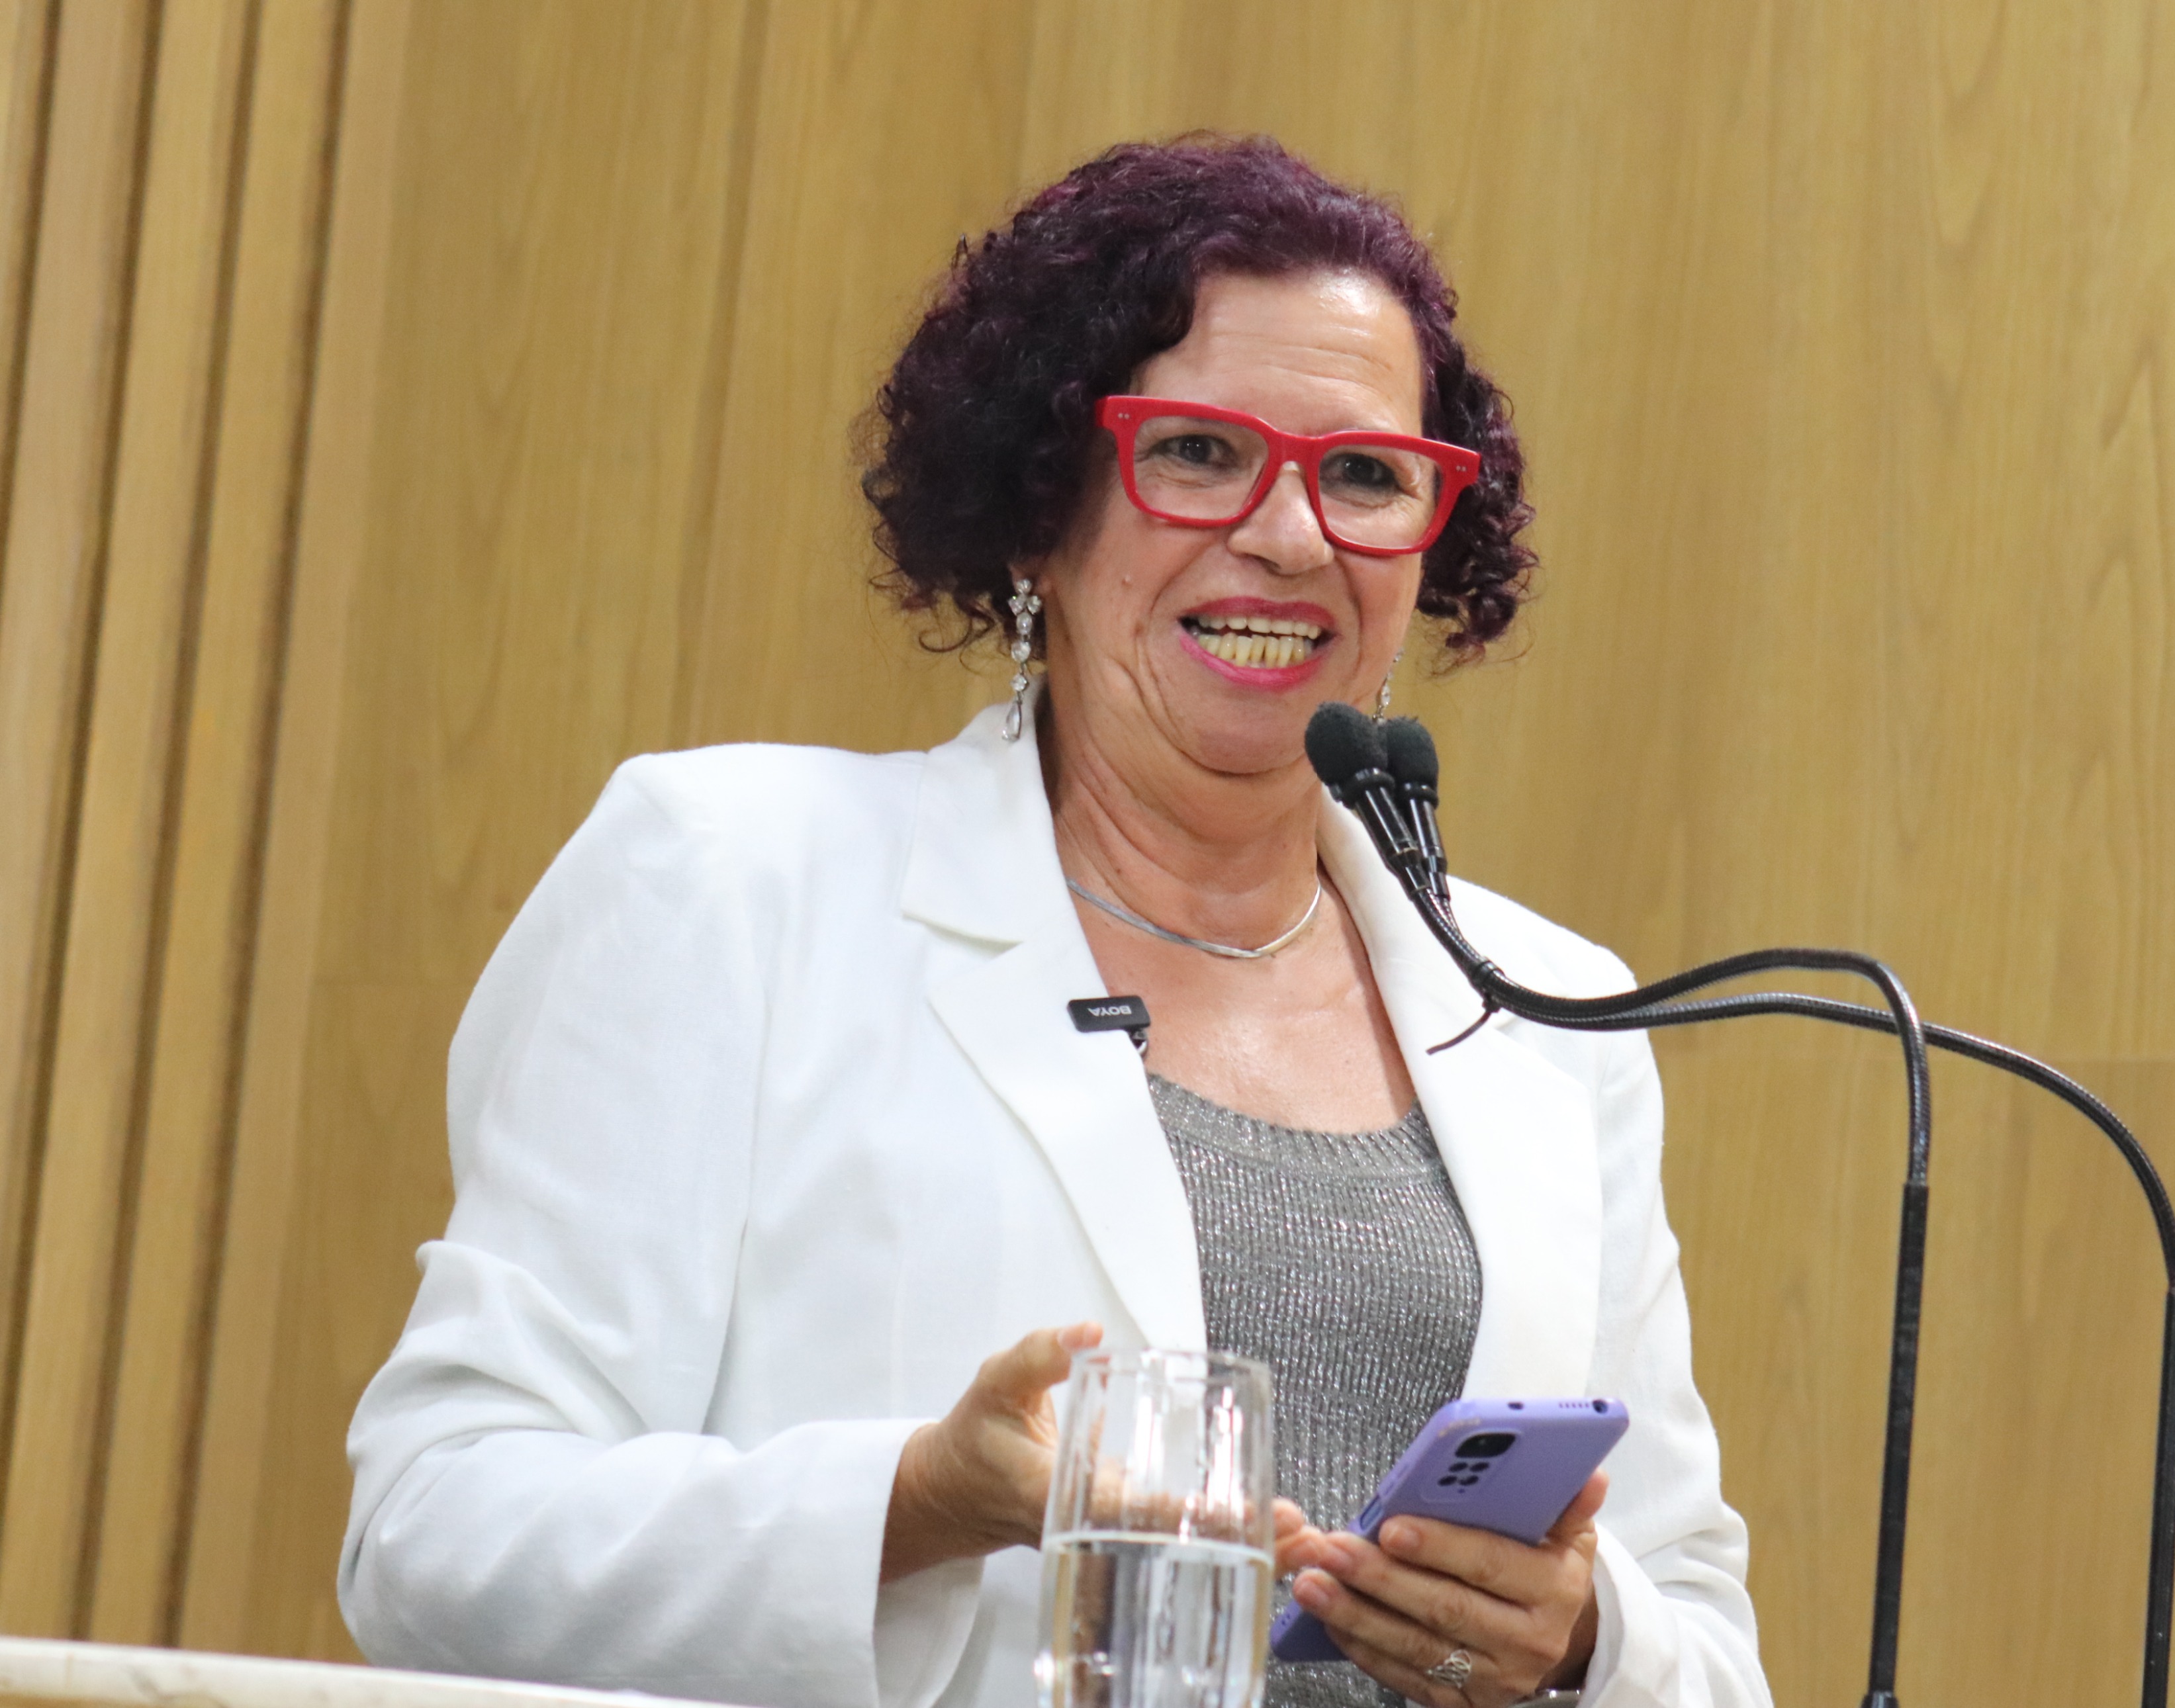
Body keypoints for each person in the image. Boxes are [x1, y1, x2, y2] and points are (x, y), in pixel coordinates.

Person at [339, 136, 1771, 1708]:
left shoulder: (1549, 1012)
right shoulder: (733, 880)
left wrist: (1579, 1640)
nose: (1294, 537)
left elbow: (1703, 1633)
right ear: (1036, 503)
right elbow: (432, 1531)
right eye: (1199, 452)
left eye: (1366, 476)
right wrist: (909, 1503)